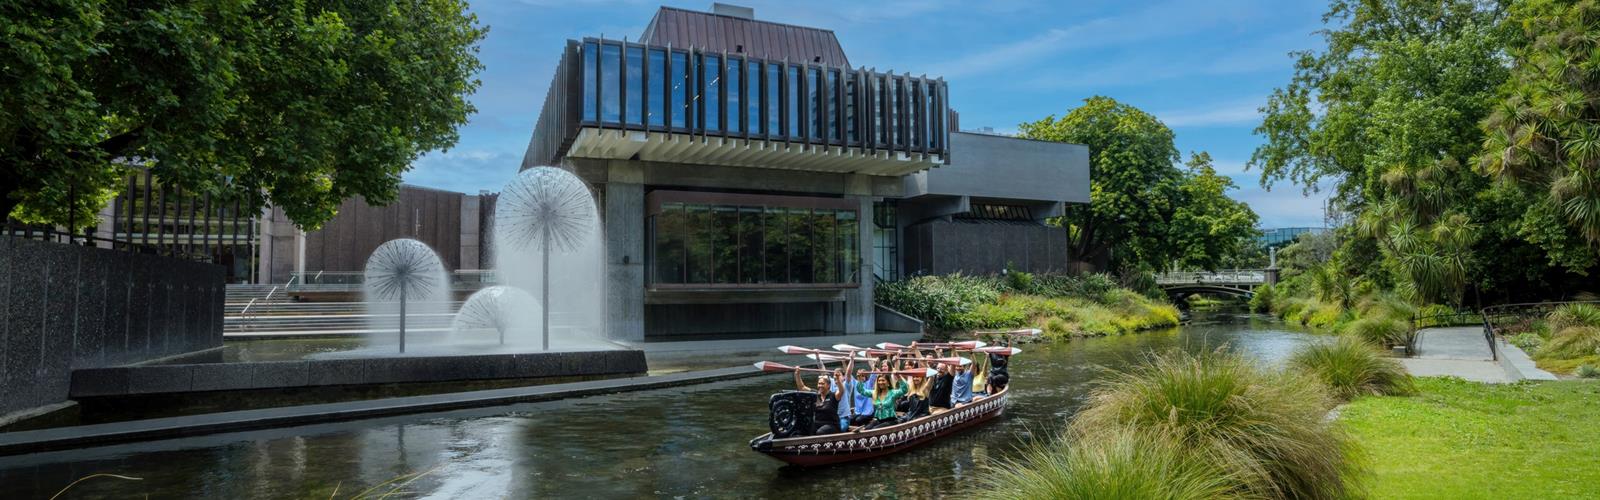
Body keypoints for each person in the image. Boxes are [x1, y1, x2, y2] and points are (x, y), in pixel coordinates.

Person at [794, 370, 841, 435]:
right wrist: (797, 374)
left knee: (820, 432)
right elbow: (802, 387)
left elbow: (841, 391)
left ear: (828, 385)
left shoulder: (833, 395)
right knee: (803, 429)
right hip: (817, 423)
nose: (820, 386)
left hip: (832, 425)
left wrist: (838, 379)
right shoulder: (815, 395)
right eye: (819, 383)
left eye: (822, 384)